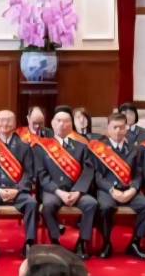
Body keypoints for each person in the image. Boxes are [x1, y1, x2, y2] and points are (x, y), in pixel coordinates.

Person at [88, 111, 145, 260]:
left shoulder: (135, 148)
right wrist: (111, 190)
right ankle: (106, 243)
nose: (118, 131)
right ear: (108, 129)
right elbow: (97, 175)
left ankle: (135, 242)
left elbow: (138, 173)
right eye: (114, 127)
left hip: (129, 189)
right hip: (107, 190)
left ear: (126, 129)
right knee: (105, 208)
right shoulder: (99, 149)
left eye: (121, 127)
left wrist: (133, 189)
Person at [35, 107, 98, 257]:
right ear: (52, 123)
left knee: (91, 204)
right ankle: (55, 241)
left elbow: (88, 171)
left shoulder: (82, 147)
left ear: (71, 124)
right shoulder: (41, 147)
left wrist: (78, 191)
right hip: (53, 191)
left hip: (76, 191)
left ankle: (82, 242)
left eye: (66, 121)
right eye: (59, 121)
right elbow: (42, 175)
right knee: (48, 205)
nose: (62, 124)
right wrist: (59, 192)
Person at [0, 110, 39, 260]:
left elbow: (29, 174)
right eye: (1, 120)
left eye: (8, 120)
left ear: (15, 124)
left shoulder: (25, 147)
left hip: (18, 192)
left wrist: (17, 190)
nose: (5, 124)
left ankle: (29, 243)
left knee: (32, 203)